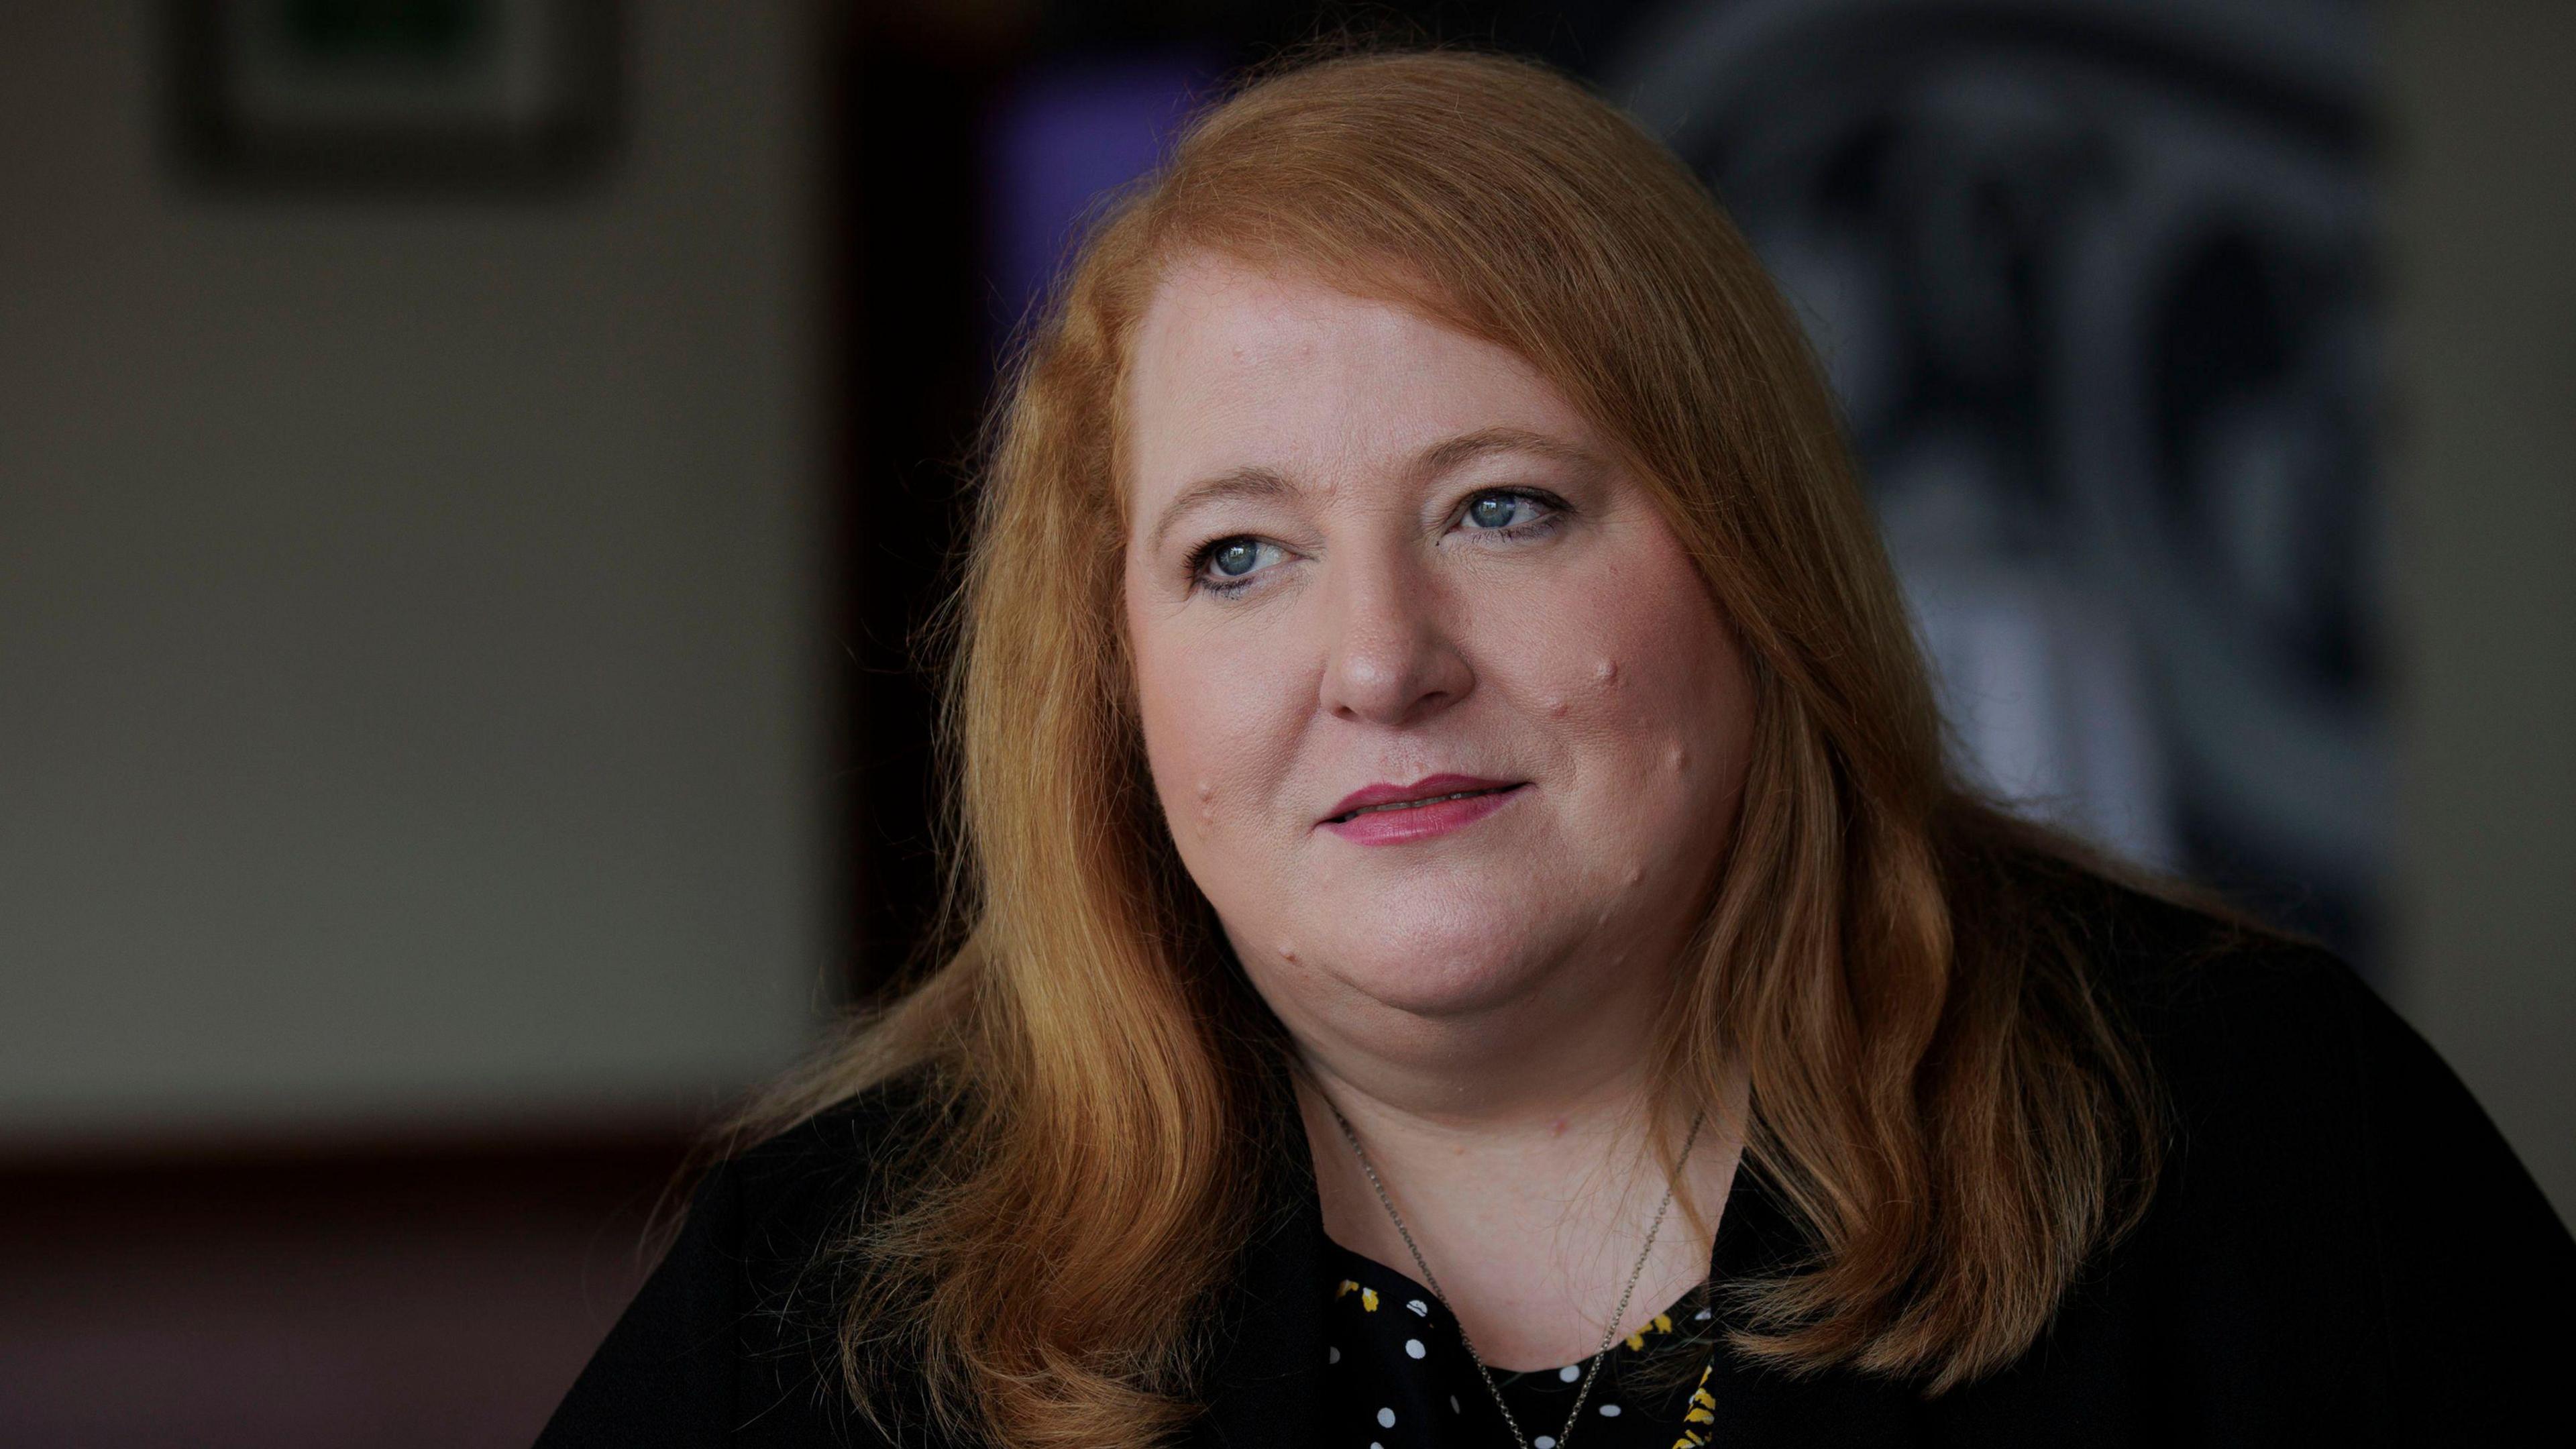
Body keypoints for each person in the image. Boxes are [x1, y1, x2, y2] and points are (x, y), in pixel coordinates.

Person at [537, 48, 2573, 1449]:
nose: (1382, 662)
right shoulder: (826, 1296)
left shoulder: (2261, 1144)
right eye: (1239, 554)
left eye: (1505, 508)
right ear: (1115, 674)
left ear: (1747, 561)